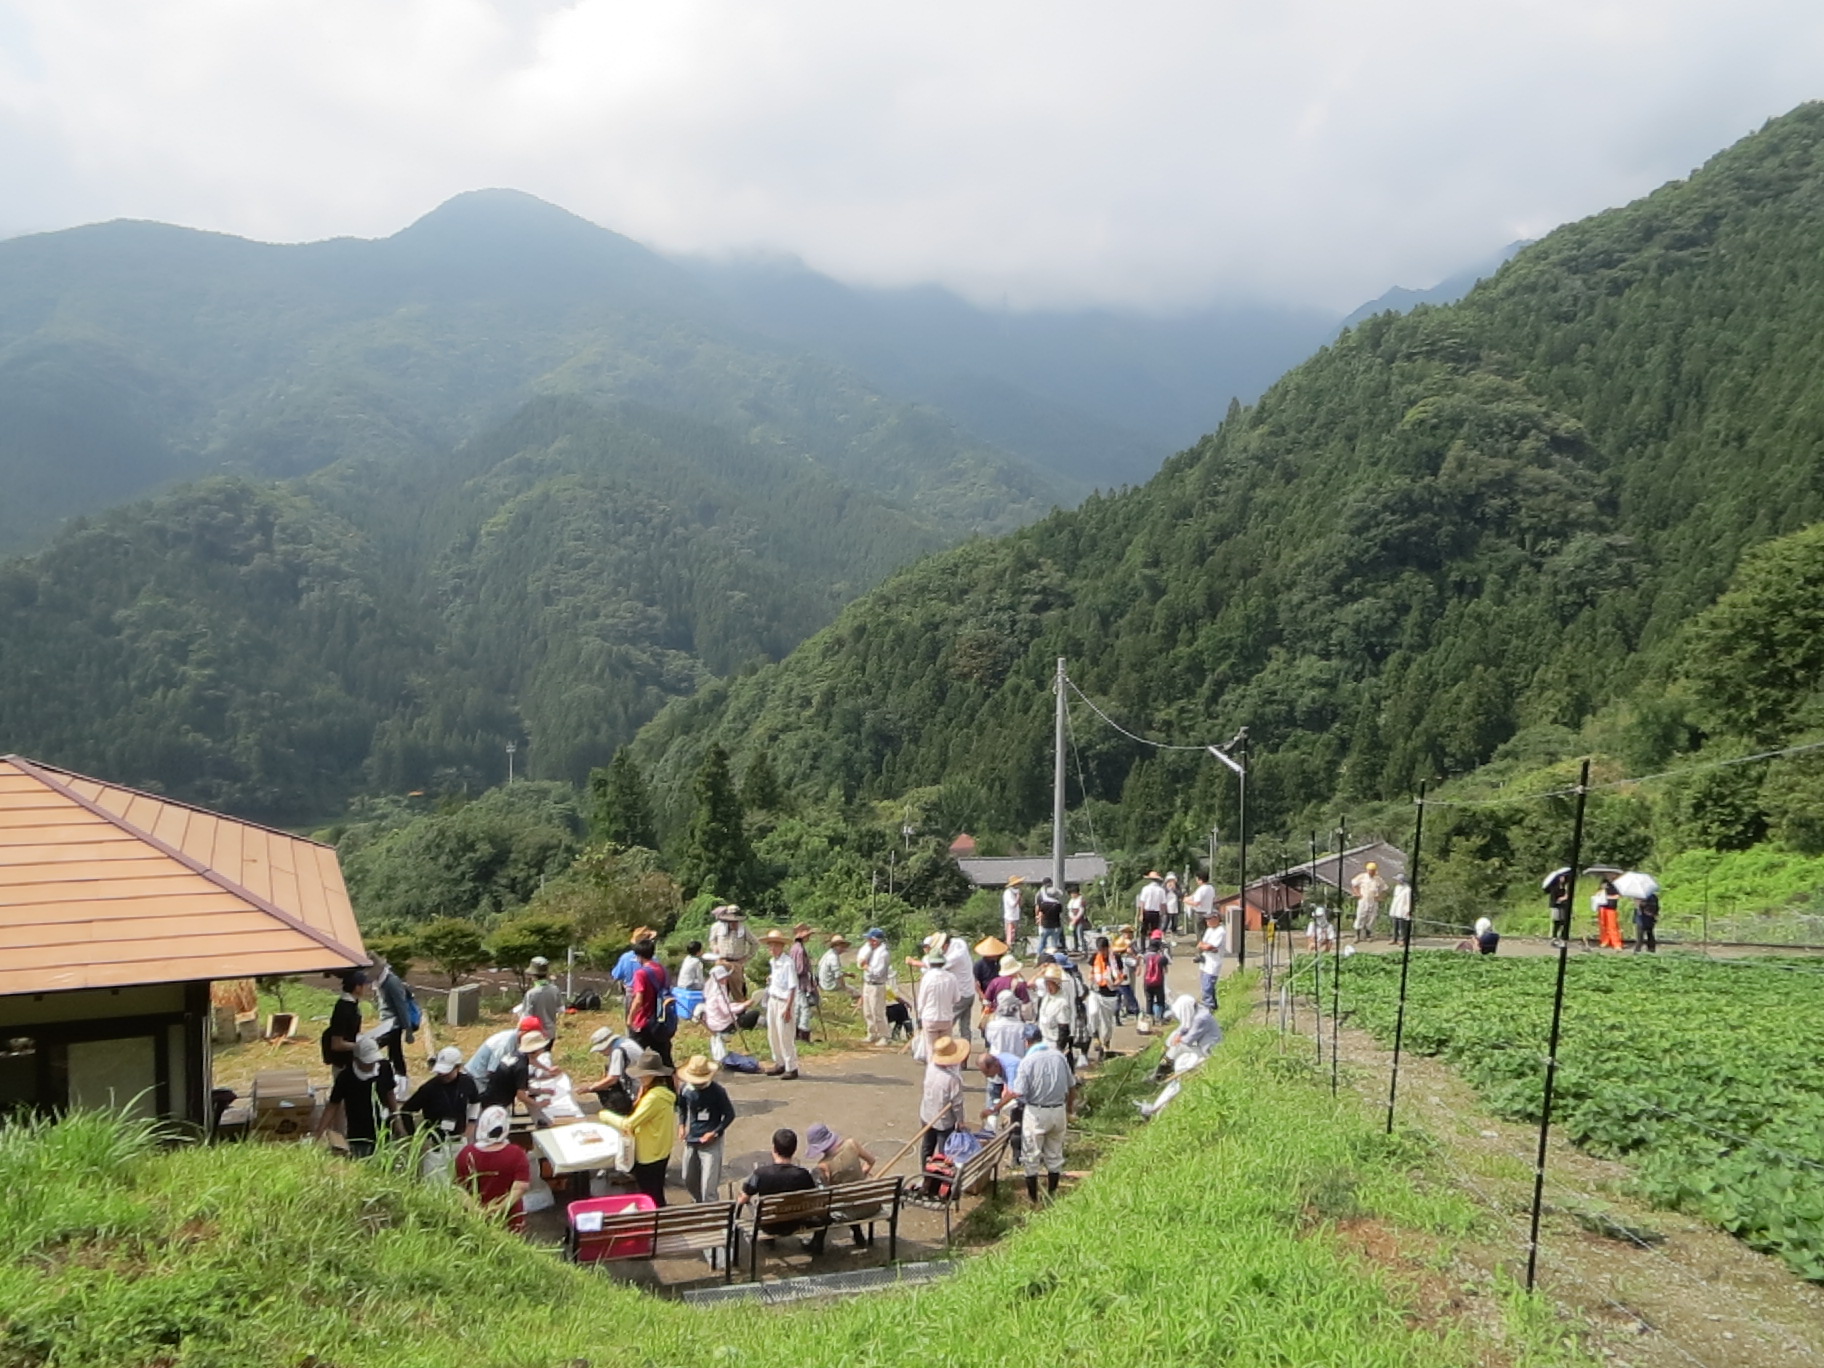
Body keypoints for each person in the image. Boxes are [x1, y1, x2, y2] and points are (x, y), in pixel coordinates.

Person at [996, 1031, 1077, 1203]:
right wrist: (1069, 1109)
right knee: (1055, 1156)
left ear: (1027, 1042)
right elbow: (1072, 1087)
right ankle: (1052, 1195)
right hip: (1058, 1111)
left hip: (1037, 1113)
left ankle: (1034, 1200)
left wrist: (997, 1107)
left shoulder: (1027, 1062)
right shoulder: (1059, 1057)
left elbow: (1018, 1091)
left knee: (1031, 1157)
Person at [600, 1049, 675, 1206]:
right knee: (655, 1192)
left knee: (650, 1195)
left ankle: (657, 1223)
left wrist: (605, 1115)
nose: (640, 1077)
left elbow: (629, 1123)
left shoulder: (654, 1097)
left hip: (649, 1153)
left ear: (654, 1075)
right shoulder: (660, 1092)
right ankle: (660, 1219)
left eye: (643, 1074)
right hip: (660, 1149)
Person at [739, 1128, 825, 1254]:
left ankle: (769, 1241)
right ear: (794, 1150)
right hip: (795, 1223)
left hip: (768, 1225)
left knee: (751, 1201)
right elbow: (813, 1198)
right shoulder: (803, 1175)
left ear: (774, 1149)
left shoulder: (760, 1174)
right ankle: (816, 1246)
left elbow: (743, 1198)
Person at [401, 1045, 478, 1178]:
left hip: (458, 1140)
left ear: (457, 1068)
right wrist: (415, 1138)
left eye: (447, 1072)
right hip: (435, 1144)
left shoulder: (467, 1083)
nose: (443, 1076)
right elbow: (406, 1110)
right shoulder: (429, 1088)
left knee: (460, 1179)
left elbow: (475, 1101)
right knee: (434, 1181)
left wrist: (471, 1123)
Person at [317, 1035, 397, 1158]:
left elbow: (390, 1094)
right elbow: (333, 1105)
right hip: (358, 1133)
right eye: (367, 1062)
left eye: (373, 1061)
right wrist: (319, 1133)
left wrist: (397, 1120)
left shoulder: (384, 1068)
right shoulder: (346, 1077)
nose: (371, 1064)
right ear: (357, 1059)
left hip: (383, 1129)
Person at [804, 1122, 881, 1248]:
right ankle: (858, 1235)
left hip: (849, 1211)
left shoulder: (824, 1165)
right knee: (849, 1196)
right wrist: (859, 1176)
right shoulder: (851, 1144)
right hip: (871, 1205)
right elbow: (871, 1161)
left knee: (825, 1208)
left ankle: (816, 1244)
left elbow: (825, 1195)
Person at [457, 1105, 531, 1230]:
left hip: (475, 1221)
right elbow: (520, 1188)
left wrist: (477, 1211)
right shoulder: (516, 1153)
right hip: (509, 1219)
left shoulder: (466, 1154)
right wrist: (497, 1209)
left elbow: (460, 1190)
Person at [674, 1055, 736, 1205]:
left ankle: (712, 1212)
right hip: (692, 1139)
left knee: (709, 1185)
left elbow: (729, 1114)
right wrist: (682, 1124)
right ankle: (698, 1201)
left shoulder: (717, 1091)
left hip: (711, 1142)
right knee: (688, 1177)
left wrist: (715, 1132)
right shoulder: (685, 1089)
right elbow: (681, 1106)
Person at [919, 1035, 970, 1170]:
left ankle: (925, 1173)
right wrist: (960, 1121)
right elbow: (957, 1104)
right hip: (944, 1119)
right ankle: (939, 1180)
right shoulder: (952, 1079)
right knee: (944, 1152)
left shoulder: (931, 1066)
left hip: (927, 1113)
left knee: (927, 1146)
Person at [479, 1027, 549, 1120]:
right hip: (496, 1106)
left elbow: (517, 1084)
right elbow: (521, 1096)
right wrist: (538, 1104)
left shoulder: (516, 1055)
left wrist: (541, 1091)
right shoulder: (521, 1066)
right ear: (535, 1050)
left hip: (489, 1097)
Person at [627, 937, 676, 1067]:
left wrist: (630, 1018)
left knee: (636, 1056)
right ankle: (673, 1084)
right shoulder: (663, 970)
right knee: (665, 1058)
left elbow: (638, 1000)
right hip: (661, 1020)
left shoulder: (641, 973)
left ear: (639, 956)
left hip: (644, 1021)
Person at [760, 928, 800, 1079]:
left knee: (785, 1035)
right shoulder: (773, 962)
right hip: (773, 999)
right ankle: (779, 1062)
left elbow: (792, 987)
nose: (772, 948)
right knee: (773, 1033)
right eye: (770, 945)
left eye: (775, 945)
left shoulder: (787, 963)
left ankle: (791, 1066)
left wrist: (788, 1008)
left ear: (782, 946)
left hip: (784, 1001)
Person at [465, 1015, 543, 1089]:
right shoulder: (504, 1044)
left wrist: (547, 1070)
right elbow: (494, 1072)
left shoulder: (519, 1041)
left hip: (487, 1079)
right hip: (477, 1080)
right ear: (524, 1032)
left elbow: (528, 1058)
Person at [578, 1025, 640, 1114]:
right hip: (639, 1081)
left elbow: (612, 1079)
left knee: (605, 1091)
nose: (600, 1052)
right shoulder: (625, 1042)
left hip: (637, 1086)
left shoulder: (617, 1051)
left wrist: (591, 1088)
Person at [697, 963, 750, 1065]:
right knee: (751, 1016)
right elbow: (727, 1010)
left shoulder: (710, 991)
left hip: (712, 1022)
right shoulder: (719, 992)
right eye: (723, 978)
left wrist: (740, 1005)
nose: (726, 980)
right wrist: (743, 1006)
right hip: (721, 1024)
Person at [914, 941, 960, 1058]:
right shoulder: (951, 977)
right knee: (945, 1050)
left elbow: (921, 1001)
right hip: (946, 1018)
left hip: (930, 1017)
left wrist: (919, 1016)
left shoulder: (927, 978)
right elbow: (956, 998)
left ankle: (932, 1073)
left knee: (931, 1049)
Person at [370, 960, 414, 1078]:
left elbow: (401, 1006)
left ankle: (400, 1077)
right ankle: (398, 1077)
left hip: (393, 1024)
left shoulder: (391, 982)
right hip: (386, 1022)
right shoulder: (380, 982)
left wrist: (408, 1029)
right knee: (395, 1053)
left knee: (373, 1047)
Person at [321, 970, 368, 1074]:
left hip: (351, 1061)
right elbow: (337, 1044)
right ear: (357, 987)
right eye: (364, 985)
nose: (366, 988)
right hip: (343, 1065)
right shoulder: (344, 1009)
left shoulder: (352, 1005)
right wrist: (360, 1046)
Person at [1162, 993, 1221, 1075]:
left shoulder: (1200, 1018)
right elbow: (1184, 1028)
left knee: (1178, 1046)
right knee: (1175, 1037)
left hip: (1208, 1050)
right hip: (1201, 1044)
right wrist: (1174, 1038)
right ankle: (1165, 1061)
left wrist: (1176, 1041)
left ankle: (1163, 1068)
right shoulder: (1197, 1010)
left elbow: (1188, 1040)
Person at [708, 906, 760, 999]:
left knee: (738, 992)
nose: (733, 923)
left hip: (736, 963)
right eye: (731, 921)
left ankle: (741, 1012)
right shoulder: (718, 928)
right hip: (721, 961)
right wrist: (714, 947)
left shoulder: (743, 929)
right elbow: (712, 940)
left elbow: (755, 943)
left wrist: (746, 957)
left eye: (735, 921)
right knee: (720, 992)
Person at [857, 928, 893, 1047]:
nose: (868, 941)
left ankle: (884, 1035)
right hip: (868, 983)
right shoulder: (870, 950)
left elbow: (878, 972)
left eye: (870, 939)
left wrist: (866, 966)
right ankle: (872, 1033)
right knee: (867, 1011)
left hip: (877, 985)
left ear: (875, 940)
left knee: (877, 1011)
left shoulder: (883, 954)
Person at [1033, 964, 1076, 1063]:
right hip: (1044, 1039)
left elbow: (1063, 1028)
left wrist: (1059, 1049)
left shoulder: (1062, 1002)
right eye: (1046, 983)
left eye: (1051, 984)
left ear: (1057, 984)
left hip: (1054, 1042)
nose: (1048, 987)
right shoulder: (1046, 998)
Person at [520, 956, 563, 1040]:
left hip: (535, 1035)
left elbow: (526, 1017)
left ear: (533, 975)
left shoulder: (531, 994)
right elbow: (561, 1009)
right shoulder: (555, 989)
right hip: (551, 1033)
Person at [791, 922, 819, 1043]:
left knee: (798, 1008)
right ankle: (803, 1035)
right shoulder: (800, 950)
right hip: (800, 983)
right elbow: (800, 969)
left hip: (797, 982)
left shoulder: (794, 948)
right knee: (804, 1008)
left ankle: (796, 1034)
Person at [1196, 908, 1227, 1011]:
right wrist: (1205, 946)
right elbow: (1201, 944)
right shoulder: (1209, 930)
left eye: (1209, 919)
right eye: (1206, 919)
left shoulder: (1221, 931)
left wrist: (1206, 946)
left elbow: (1209, 946)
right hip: (1205, 961)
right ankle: (1213, 1005)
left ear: (1216, 918)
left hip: (1213, 963)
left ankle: (1208, 1007)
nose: (1207, 921)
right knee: (1205, 984)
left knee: (1208, 985)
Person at [984, 988, 1028, 1058]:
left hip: (997, 1062)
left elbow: (990, 1040)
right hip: (1017, 1062)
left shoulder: (992, 1025)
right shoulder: (1022, 1027)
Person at [1350, 862, 1388, 942]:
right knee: (1360, 916)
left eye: (1373, 871)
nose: (1372, 872)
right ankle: (1357, 935)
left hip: (1373, 901)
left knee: (1371, 918)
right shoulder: (1362, 877)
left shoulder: (1378, 879)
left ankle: (1368, 935)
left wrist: (1380, 896)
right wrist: (1357, 894)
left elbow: (1384, 888)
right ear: (1367, 870)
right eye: (1370, 870)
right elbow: (1354, 884)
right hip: (1363, 900)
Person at [972, 936, 1007, 1019]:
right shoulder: (979, 965)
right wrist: (983, 997)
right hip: (986, 994)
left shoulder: (1001, 962)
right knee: (986, 1017)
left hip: (1001, 994)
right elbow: (976, 982)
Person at [1140, 930, 1171, 1026]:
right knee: (1160, 1000)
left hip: (1147, 982)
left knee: (1149, 1000)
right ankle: (1160, 1018)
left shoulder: (1146, 956)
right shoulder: (1161, 958)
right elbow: (1166, 969)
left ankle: (1150, 1019)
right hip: (1158, 982)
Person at [1034, 877, 1066, 955]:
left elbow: (1039, 910)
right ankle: (1054, 957)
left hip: (1045, 925)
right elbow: (1060, 913)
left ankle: (1039, 956)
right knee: (1054, 944)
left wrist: (1038, 919)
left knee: (1042, 942)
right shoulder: (1058, 905)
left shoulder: (1042, 900)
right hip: (1056, 926)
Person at [817, 934, 852, 1000]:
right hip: (829, 985)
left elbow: (833, 971)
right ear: (837, 946)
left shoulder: (828, 954)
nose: (844, 948)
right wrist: (845, 989)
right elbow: (838, 976)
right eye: (842, 946)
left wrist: (847, 974)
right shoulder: (833, 957)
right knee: (854, 991)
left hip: (823, 982)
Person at [1546, 870, 1574, 947]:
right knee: (1557, 922)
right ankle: (1554, 937)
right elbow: (1555, 899)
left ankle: (1562, 938)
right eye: (1561, 877)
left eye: (1564, 877)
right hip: (1556, 906)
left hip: (1564, 906)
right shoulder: (1554, 887)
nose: (1563, 879)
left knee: (1564, 922)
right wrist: (1563, 898)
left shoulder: (1565, 887)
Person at [1136, 871, 1168, 940]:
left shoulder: (1145, 889)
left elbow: (1142, 902)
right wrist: (1163, 913)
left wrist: (1141, 914)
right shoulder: (1161, 890)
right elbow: (1163, 904)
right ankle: (1154, 946)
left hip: (1146, 912)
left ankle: (1143, 948)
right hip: (1156, 913)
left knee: (1144, 931)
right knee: (1155, 931)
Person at [1595, 879, 1624, 950]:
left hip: (1611, 908)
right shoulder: (1601, 888)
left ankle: (1616, 943)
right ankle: (1605, 941)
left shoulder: (1615, 886)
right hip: (1602, 908)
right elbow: (1596, 896)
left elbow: (1618, 896)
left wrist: (1607, 897)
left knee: (1612, 926)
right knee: (1603, 925)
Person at [1388, 875, 1414, 947]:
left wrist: (1408, 909)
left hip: (1402, 909)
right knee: (1395, 924)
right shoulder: (1397, 887)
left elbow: (1408, 900)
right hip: (1396, 908)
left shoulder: (1407, 889)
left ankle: (1402, 939)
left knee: (1402, 926)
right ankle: (1394, 938)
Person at [1001, 876, 1024, 950]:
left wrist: (1020, 898)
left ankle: (1012, 949)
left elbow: (1020, 904)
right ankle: (1008, 949)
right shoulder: (1008, 893)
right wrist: (1017, 897)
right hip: (1010, 917)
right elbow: (1012, 905)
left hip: (1016, 916)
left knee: (1014, 935)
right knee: (1010, 935)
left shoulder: (1016, 892)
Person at [1067, 885, 1089, 954]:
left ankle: (1083, 947)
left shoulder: (1081, 900)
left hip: (1080, 920)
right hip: (1072, 919)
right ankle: (1076, 947)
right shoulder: (1071, 901)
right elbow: (1070, 910)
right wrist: (1072, 918)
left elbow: (1081, 911)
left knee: (1079, 933)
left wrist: (1076, 919)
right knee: (1074, 934)